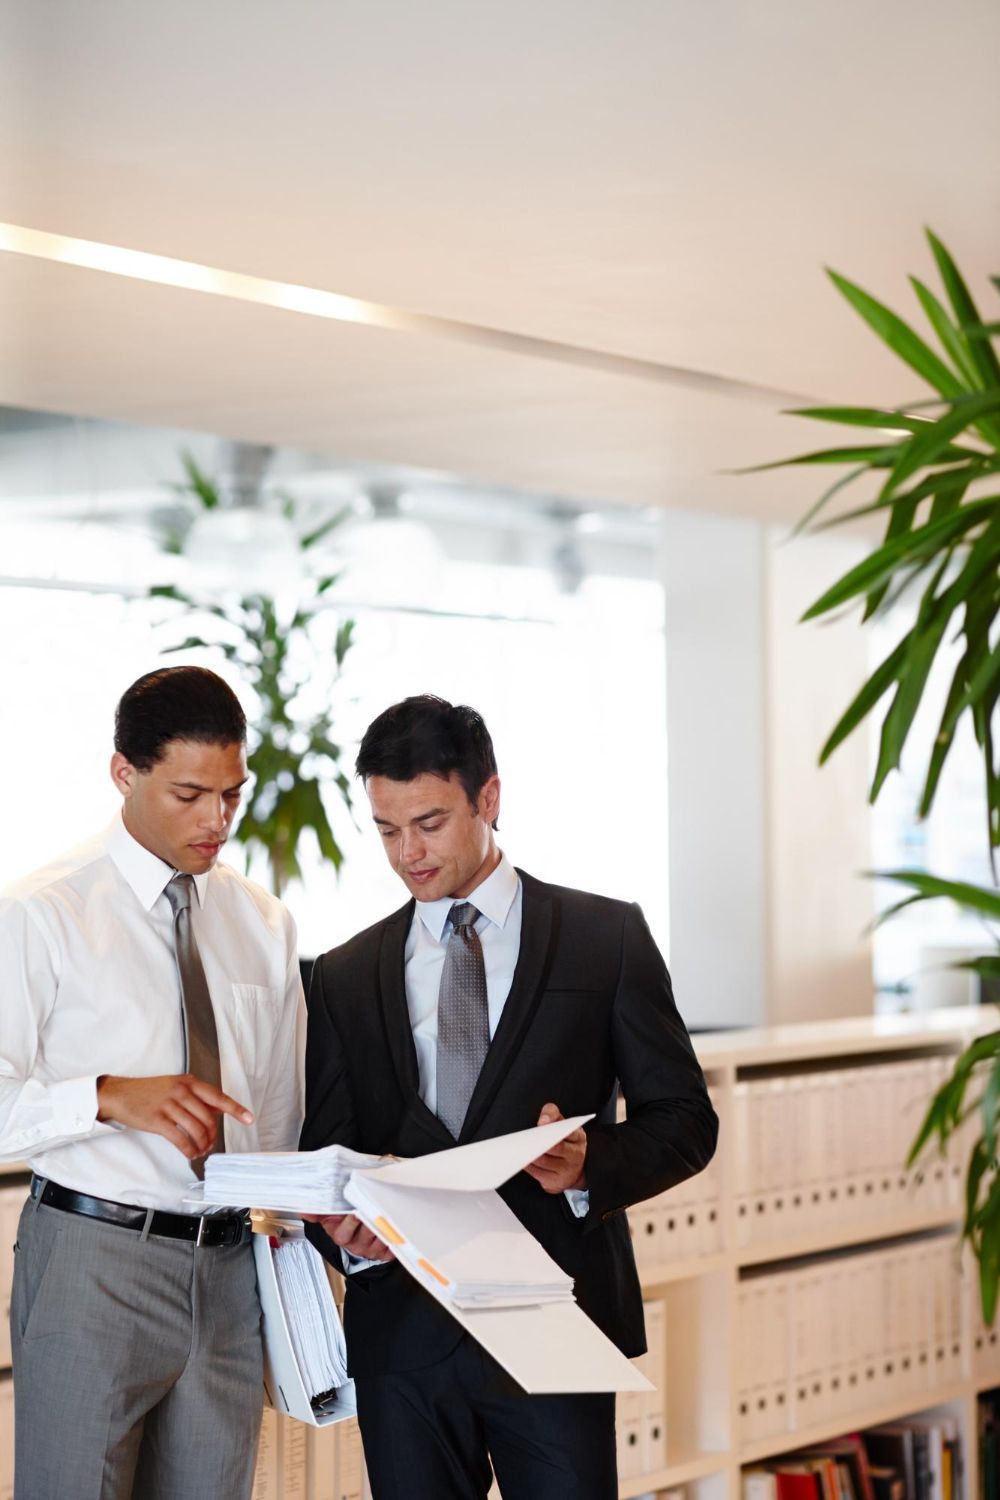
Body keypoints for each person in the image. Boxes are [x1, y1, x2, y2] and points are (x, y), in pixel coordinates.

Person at [301, 694, 718, 1500]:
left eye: (429, 822)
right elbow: (332, 1146)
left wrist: (593, 1161)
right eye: (386, 830)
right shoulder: (344, 973)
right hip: (404, 1343)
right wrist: (347, 1238)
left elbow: (686, 1121)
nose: (407, 854)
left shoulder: (608, 937)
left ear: (488, 798)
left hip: (554, 1327)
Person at [0, 666, 305, 1500]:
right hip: (93, 1263)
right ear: (123, 774)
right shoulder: (43, 913)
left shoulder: (263, 924)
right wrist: (105, 1095)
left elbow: (276, 1124)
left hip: (230, 1267)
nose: (217, 820)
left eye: (232, 794)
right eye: (189, 793)